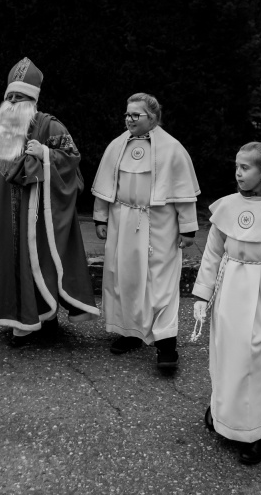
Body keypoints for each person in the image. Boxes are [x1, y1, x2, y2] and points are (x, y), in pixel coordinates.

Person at [0, 57, 98, 346]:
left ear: (31, 100)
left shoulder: (51, 127)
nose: (11, 102)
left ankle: (46, 318)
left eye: (18, 97)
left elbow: (72, 162)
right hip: (5, 217)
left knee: (42, 262)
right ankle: (19, 321)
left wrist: (45, 154)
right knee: (11, 264)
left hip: (38, 214)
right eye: (9, 97)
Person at [192, 142, 261, 464]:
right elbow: (213, 252)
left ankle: (257, 432)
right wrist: (202, 294)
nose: (238, 173)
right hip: (229, 291)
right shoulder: (227, 206)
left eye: (246, 168)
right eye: (237, 166)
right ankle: (222, 411)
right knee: (225, 355)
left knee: (255, 361)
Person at [92, 93, 200, 370]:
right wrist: (101, 218)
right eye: (127, 114)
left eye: (135, 115)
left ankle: (166, 345)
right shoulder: (116, 146)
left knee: (160, 283)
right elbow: (105, 187)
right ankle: (130, 333)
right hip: (123, 221)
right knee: (124, 278)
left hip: (160, 224)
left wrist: (188, 228)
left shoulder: (173, 149)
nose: (129, 119)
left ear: (152, 117)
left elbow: (184, 194)